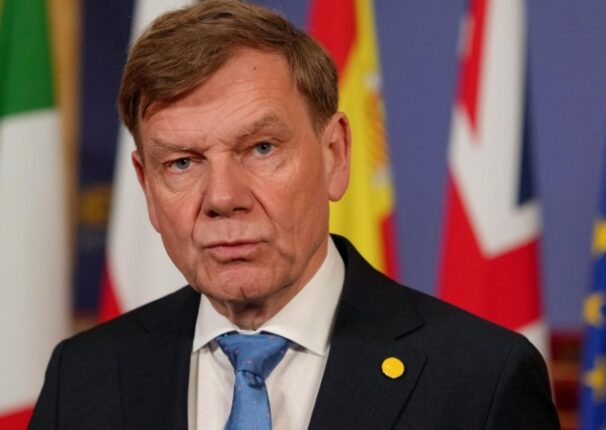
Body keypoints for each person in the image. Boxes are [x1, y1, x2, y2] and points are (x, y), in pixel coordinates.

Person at [30, 1, 559, 429]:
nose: (222, 198)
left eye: (261, 148)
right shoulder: (85, 378)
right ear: (147, 186)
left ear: (335, 156)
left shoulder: (479, 381)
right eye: (182, 162)